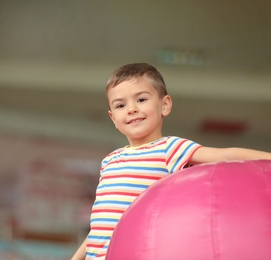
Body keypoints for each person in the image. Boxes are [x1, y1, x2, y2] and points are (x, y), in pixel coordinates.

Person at [72, 63, 271, 260]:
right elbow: (101, 223)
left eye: (141, 99)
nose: (131, 109)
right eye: (120, 105)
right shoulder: (109, 161)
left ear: (165, 105)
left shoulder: (170, 148)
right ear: (113, 118)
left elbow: (225, 155)